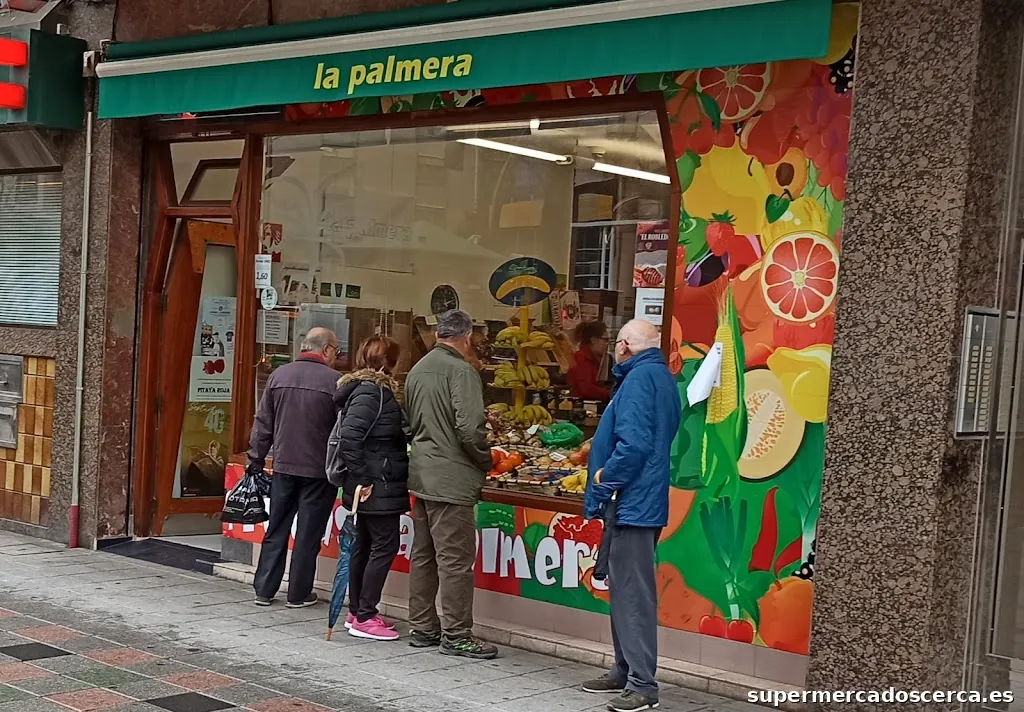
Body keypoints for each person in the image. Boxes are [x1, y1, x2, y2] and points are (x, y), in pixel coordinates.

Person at [581, 320, 682, 712]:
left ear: (623, 346)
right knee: (624, 590)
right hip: (640, 500)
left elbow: (635, 443)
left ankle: (642, 685)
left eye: (617, 343)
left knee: (633, 595)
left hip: (633, 502)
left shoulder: (640, 380)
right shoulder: (658, 376)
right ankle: (624, 671)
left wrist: (607, 477)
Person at [404, 309, 498, 659]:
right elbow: (470, 429)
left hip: (423, 473)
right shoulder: (462, 371)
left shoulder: (417, 369)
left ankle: (423, 626)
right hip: (452, 478)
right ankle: (457, 634)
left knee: (424, 555)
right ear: (467, 336)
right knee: (456, 560)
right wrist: (485, 460)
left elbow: (412, 422)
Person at [249, 327, 341, 608]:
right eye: (336, 351)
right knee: (308, 535)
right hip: (318, 472)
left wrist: (255, 460)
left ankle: (264, 589)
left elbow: (263, 424)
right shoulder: (335, 382)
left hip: (284, 467)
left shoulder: (279, 376)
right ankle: (298, 593)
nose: (336, 357)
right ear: (325, 350)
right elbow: (341, 432)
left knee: (276, 528)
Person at [333, 336, 410, 642]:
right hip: (376, 484)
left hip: (371, 481)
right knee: (383, 545)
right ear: (389, 362)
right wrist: (364, 478)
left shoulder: (365, 391)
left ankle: (358, 611)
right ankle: (365, 614)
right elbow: (350, 438)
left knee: (363, 545)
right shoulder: (372, 392)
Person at [568, 321, 612, 400]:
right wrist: (610, 393)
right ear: (593, 340)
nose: (607, 343)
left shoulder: (601, 358)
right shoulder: (580, 358)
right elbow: (586, 389)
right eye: (605, 339)